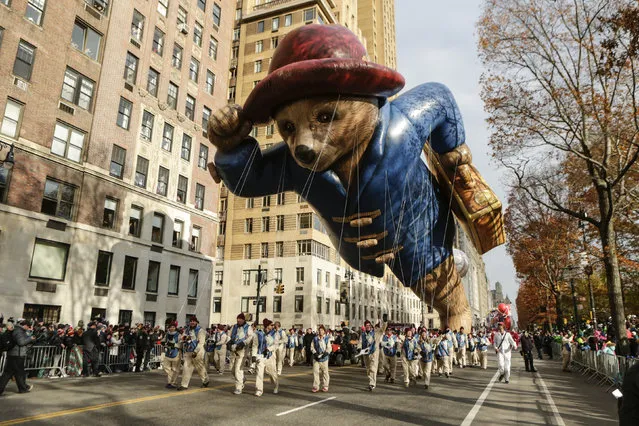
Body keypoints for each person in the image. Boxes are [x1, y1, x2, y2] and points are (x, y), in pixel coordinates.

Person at [0, 320, 34, 395]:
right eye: (28, 327)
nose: (28, 328)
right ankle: (23, 388)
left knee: (11, 373)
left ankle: (23, 388)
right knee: (16, 373)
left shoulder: (16, 330)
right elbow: (21, 342)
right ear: (25, 325)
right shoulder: (19, 331)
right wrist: (30, 339)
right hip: (17, 355)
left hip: (13, 354)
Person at [179, 317, 209, 390]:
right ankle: (184, 385)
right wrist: (184, 338)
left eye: (194, 321)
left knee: (200, 368)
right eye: (191, 321)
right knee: (186, 368)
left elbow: (201, 342)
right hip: (188, 350)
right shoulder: (187, 330)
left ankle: (205, 380)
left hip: (198, 352)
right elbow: (181, 338)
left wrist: (196, 351)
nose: (192, 322)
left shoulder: (200, 331)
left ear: (196, 322)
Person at [252, 318, 279, 397]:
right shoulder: (258, 334)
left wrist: (269, 349)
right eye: (271, 325)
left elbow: (276, 345)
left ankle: (276, 385)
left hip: (270, 356)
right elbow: (255, 345)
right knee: (259, 373)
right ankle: (259, 390)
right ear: (267, 326)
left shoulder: (275, 334)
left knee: (272, 373)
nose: (273, 326)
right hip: (260, 356)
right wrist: (254, 355)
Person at [229, 313, 253, 395]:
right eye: (237, 319)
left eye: (240, 319)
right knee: (232, 370)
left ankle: (239, 387)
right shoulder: (234, 327)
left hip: (242, 350)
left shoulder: (248, 327)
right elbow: (229, 336)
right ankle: (242, 379)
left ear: (243, 320)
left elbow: (250, 337)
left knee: (238, 369)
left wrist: (244, 343)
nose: (238, 320)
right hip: (233, 349)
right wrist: (229, 343)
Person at [361, 320, 387, 391]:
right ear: (365, 327)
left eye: (369, 325)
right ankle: (370, 381)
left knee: (373, 368)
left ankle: (372, 384)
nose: (368, 327)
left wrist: (385, 321)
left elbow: (383, 329)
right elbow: (361, 342)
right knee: (368, 369)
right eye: (366, 326)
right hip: (365, 354)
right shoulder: (363, 334)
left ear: (371, 326)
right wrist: (359, 348)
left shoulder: (375, 333)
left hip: (374, 353)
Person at [311, 325, 332, 392]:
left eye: (322, 330)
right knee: (315, 372)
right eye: (319, 330)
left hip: (324, 358)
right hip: (316, 358)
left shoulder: (326, 339)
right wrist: (315, 353)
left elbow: (329, 348)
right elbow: (312, 347)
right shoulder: (315, 339)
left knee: (325, 372)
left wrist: (326, 353)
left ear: (324, 331)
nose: (320, 332)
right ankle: (316, 386)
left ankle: (325, 386)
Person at [161, 321, 181, 389]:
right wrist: (163, 342)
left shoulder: (178, 335)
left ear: (175, 327)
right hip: (168, 353)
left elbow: (181, 344)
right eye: (170, 327)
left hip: (176, 353)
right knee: (165, 367)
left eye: (173, 327)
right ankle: (171, 381)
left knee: (175, 369)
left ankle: (172, 383)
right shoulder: (167, 334)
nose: (172, 328)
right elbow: (163, 340)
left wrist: (174, 344)